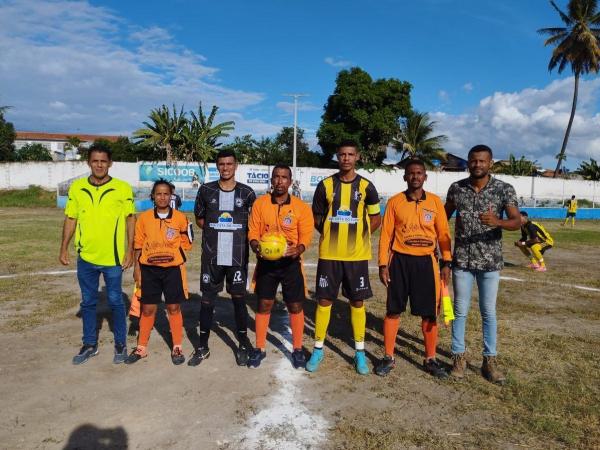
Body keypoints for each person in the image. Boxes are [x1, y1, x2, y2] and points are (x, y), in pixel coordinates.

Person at [444, 144, 521, 384]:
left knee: (488, 312)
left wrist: (498, 221)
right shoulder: (457, 188)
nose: (477, 164)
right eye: (473, 160)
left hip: (490, 262)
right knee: (460, 311)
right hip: (462, 261)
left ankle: (489, 361)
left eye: (482, 161)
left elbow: (517, 221)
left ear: (490, 163)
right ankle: (458, 357)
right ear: (468, 162)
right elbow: (442, 218)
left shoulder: (503, 189)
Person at [306, 140, 381, 375]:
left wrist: (359, 237)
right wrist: (330, 233)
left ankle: (359, 352)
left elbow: (376, 218)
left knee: (357, 302)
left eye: (350, 154)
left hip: (356, 257)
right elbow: (317, 217)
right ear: (337, 157)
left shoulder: (367, 186)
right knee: (324, 301)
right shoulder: (325, 185)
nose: (346, 158)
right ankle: (318, 348)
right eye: (342, 155)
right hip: (330, 255)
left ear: (357, 157)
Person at [59, 143, 136, 365]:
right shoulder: (77, 188)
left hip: (113, 259)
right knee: (88, 302)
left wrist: (130, 250)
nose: (99, 165)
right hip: (86, 258)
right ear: (89, 163)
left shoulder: (122, 188)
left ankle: (120, 344)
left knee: (116, 301)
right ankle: (90, 345)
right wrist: (64, 247)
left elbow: (130, 219)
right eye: (95, 161)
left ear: (110, 163)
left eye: (103, 161)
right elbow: (71, 218)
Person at [375, 159, 452, 378]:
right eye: (411, 173)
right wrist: (383, 264)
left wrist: (447, 262)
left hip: (426, 263)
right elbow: (386, 235)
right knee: (393, 309)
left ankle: (430, 358)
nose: (415, 176)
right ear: (405, 177)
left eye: (419, 173)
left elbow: (444, 234)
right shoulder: (395, 202)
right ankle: (388, 357)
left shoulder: (435, 202)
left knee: (429, 313)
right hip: (399, 262)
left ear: (425, 177)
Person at [189, 149, 256, 366]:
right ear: (217, 166)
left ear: (236, 166)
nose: (225, 168)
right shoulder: (206, 190)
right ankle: (202, 347)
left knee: (239, 299)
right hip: (212, 256)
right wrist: (216, 231)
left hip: (237, 257)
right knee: (207, 300)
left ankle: (243, 344)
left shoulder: (247, 193)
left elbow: (253, 223)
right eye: (221, 164)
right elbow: (200, 219)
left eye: (229, 164)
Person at [246, 165, 314, 369]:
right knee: (264, 304)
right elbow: (253, 232)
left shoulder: (301, 207)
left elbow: (306, 236)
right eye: (276, 177)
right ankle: (259, 348)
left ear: (290, 181)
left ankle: (298, 349)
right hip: (267, 263)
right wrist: (256, 246)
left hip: (291, 263)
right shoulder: (260, 204)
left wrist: (298, 249)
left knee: (295, 305)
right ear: (271, 180)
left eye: (284, 177)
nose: (279, 181)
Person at [125, 179, 193, 365]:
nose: (162, 197)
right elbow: (138, 245)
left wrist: (176, 250)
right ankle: (141, 347)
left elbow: (187, 242)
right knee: (148, 309)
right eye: (158, 194)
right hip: (149, 270)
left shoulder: (180, 217)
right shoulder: (144, 218)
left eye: (166, 194)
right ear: (152, 196)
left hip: (173, 270)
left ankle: (177, 346)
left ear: (171, 196)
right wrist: (137, 269)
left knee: (173, 307)